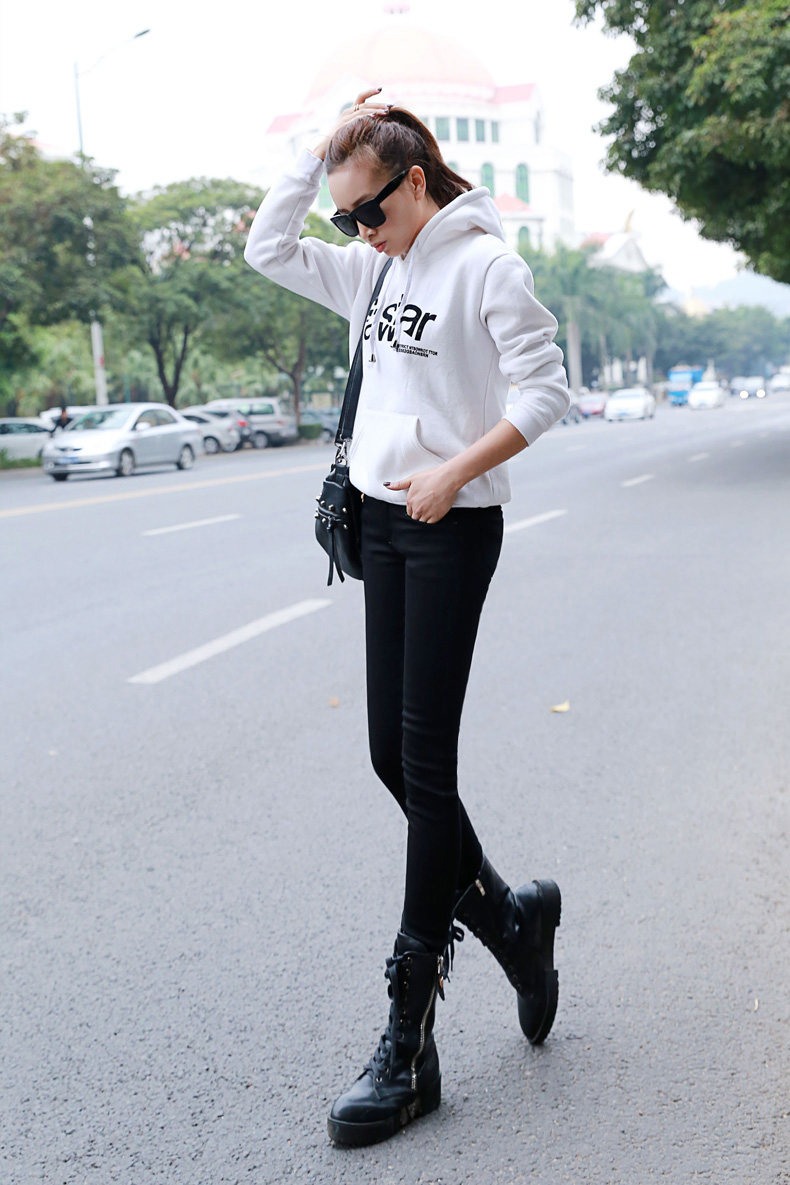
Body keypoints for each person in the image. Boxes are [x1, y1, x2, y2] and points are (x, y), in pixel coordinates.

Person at [244, 89, 571, 1147]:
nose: (355, 230)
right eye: (344, 216)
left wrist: (454, 472)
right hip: (380, 524)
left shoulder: (486, 267)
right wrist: (315, 155)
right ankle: (512, 922)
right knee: (391, 758)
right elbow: (265, 248)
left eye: (367, 210)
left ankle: (409, 1033)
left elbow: (544, 391)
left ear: (416, 182)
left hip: (449, 526)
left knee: (425, 769)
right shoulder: (371, 267)